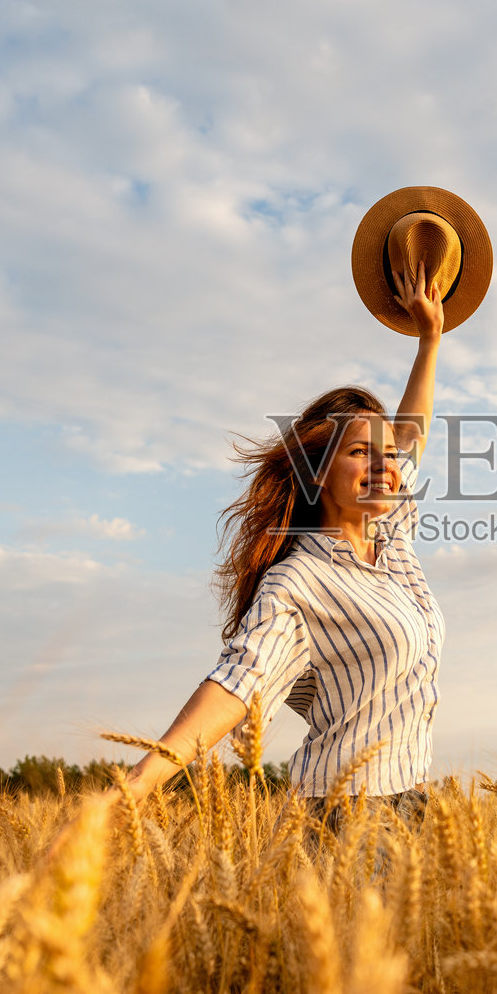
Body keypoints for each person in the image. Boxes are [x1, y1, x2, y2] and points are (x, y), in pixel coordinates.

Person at [112, 261, 444, 819]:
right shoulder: (298, 582)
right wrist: (134, 788)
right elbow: (235, 685)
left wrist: (428, 341)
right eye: (361, 452)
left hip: (410, 800)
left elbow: (415, 432)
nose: (387, 465)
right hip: (350, 813)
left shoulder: (392, 537)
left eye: (388, 454)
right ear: (318, 472)